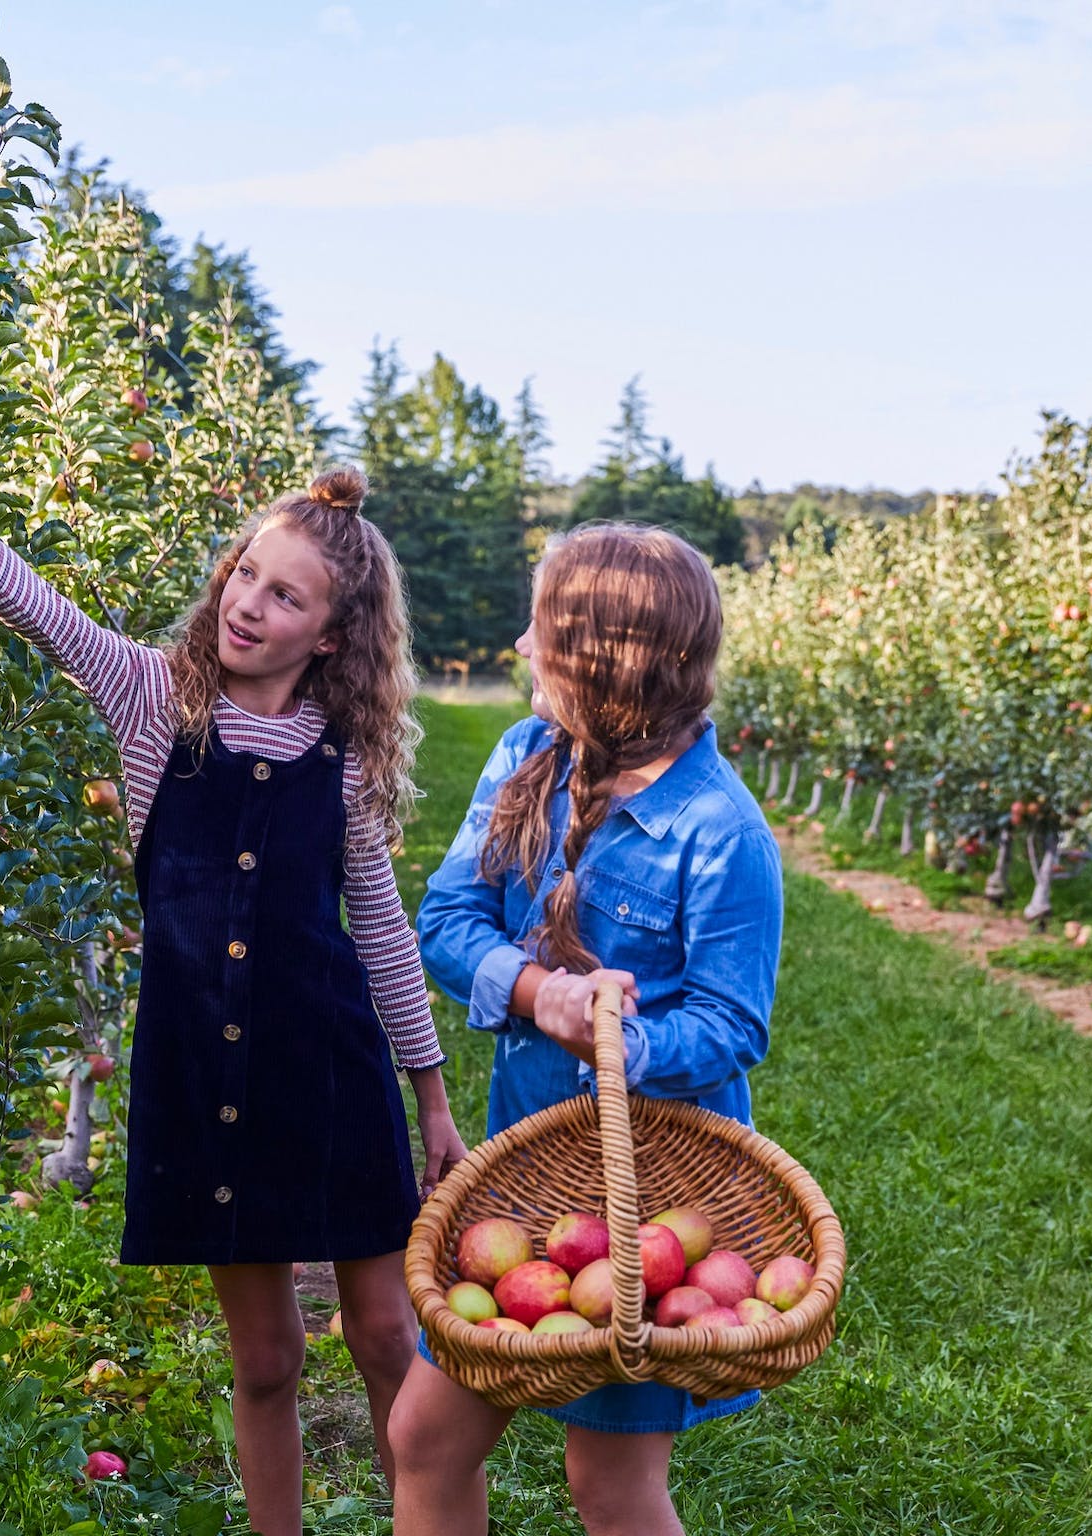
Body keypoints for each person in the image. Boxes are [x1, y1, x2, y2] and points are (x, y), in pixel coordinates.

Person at [0, 436, 470, 1536]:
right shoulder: (154, 699)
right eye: (244, 572)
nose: (247, 603)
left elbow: (379, 928)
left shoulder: (340, 756)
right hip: (206, 1072)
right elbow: (35, 606)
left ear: (331, 635)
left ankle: (418, 1518)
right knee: (265, 1359)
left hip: (328, 1067)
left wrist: (428, 1094)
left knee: (386, 1335)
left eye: (283, 596)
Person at [390, 523, 784, 1536]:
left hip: (647, 1206)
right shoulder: (528, 756)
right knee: (424, 1438)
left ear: (600, 661)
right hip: (526, 1178)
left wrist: (616, 1044)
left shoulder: (721, 833)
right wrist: (534, 994)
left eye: (541, 628)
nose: (519, 644)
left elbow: (731, 1025)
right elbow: (445, 920)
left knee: (607, 1487)